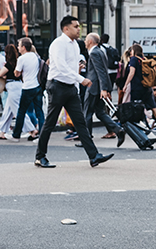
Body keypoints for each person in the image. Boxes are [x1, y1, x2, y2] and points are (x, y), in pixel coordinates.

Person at [34, 15, 113, 168]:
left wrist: (76, 84)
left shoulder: (75, 45)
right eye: (76, 26)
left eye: (79, 26)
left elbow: (72, 67)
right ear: (66, 28)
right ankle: (40, 156)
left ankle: (94, 156)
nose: (79, 29)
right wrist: (80, 79)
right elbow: (61, 67)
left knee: (80, 123)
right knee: (50, 123)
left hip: (71, 88)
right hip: (57, 86)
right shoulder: (58, 44)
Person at [82, 33, 126, 147]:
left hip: (93, 87)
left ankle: (87, 140)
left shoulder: (94, 53)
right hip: (98, 87)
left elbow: (101, 72)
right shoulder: (100, 51)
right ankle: (118, 130)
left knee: (87, 112)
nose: (85, 42)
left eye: (86, 40)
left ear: (90, 41)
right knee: (100, 112)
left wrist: (104, 89)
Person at [0, 44, 35, 140]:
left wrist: (4, 74)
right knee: (8, 110)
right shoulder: (18, 61)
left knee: (17, 110)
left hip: (12, 86)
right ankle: (2, 131)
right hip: (19, 85)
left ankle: (32, 130)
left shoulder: (9, 64)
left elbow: (0, 74)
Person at [123, 44, 156, 132]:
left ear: (134, 51)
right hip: (147, 87)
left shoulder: (134, 59)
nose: (130, 52)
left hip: (137, 87)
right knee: (152, 106)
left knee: (135, 106)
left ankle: (139, 124)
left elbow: (132, 72)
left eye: (131, 50)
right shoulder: (145, 59)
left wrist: (126, 84)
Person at [9, 38, 44, 142]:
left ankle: (16, 135)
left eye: (19, 45)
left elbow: (17, 73)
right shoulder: (36, 56)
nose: (18, 47)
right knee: (39, 112)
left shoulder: (21, 59)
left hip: (27, 87)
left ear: (24, 47)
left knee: (21, 111)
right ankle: (42, 135)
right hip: (37, 86)